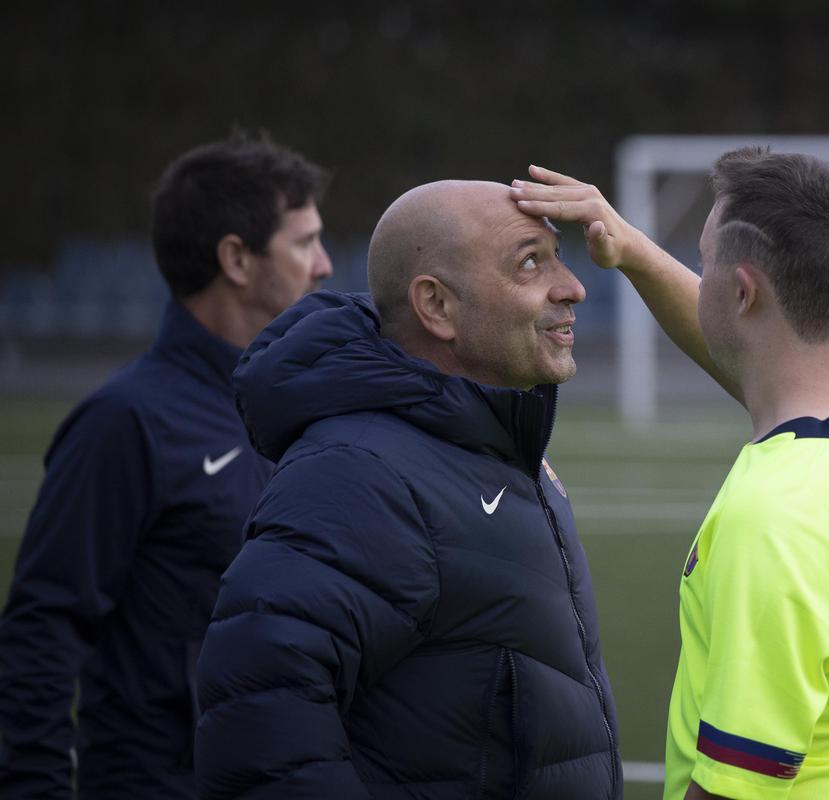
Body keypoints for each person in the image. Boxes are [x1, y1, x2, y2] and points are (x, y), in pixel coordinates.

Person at [511, 148, 829, 799]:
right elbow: (759, 360)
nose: (699, 275)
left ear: (742, 292)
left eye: (706, 261)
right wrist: (630, 249)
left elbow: (732, 788)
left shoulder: (774, 521)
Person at [192, 180, 621, 799]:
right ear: (437, 306)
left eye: (556, 256)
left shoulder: (499, 446)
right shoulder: (359, 473)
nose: (572, 286)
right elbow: (257, 717)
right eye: (531, 261)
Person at [0, 134, 331, 799]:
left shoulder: (300, 410)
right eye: (303, 243)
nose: (324, 265)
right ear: (236, 259)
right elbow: (43, 627)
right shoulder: (125, 421)